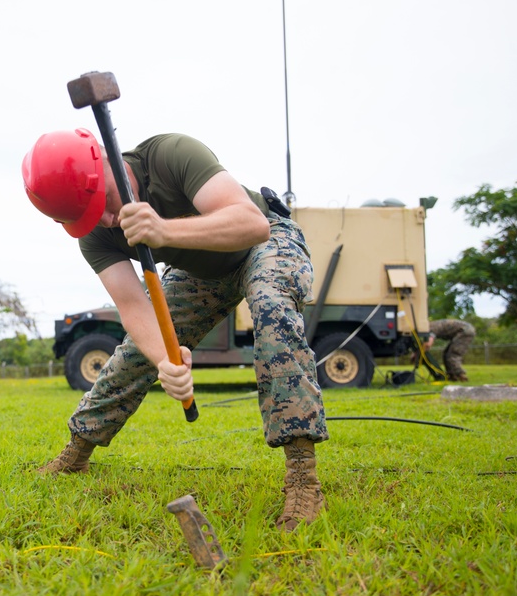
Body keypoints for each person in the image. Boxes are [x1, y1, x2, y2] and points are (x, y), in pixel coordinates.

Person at [21, 129, 328, 532]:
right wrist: (165, 361)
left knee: (272, 308)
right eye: (91, 215)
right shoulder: (96, 232)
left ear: (106, 162)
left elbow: (252, 225)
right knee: (133, 353)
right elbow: (133, 307)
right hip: (201, 271)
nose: (109, 220)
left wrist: (163, 231)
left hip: (264, 242)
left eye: (105, 203)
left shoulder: (170, 155)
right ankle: (76, 452)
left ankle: (303, 477)